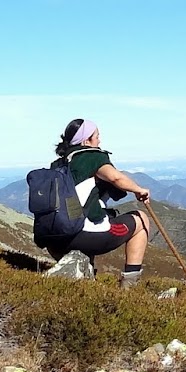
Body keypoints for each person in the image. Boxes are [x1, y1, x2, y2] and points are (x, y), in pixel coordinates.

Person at [46, 118, 154, 288]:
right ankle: (130, 287)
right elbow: (115, 178)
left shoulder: (58, 164)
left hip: (54, 239)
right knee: (141, 219)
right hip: (83, 236)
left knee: (88, 216)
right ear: (86, 141)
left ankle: (86, 278)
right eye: (97, 136)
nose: (99, 140)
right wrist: (139, 190)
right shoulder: (92, 156)